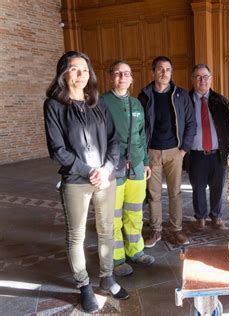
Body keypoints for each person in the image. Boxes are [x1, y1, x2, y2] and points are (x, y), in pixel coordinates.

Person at [44, 51, 128, 314]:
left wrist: (106, 169)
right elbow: (57, 150)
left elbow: (114, 139)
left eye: (84, 69)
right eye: (74, 69)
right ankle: (84, 285)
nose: (81, 75)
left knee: (107, 230)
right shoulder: (54, 106)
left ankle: (107, 277)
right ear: (63, 73)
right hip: (76, 180)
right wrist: (89, 171)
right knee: (76, 236)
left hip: (105, 177)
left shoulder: (97, 102)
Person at [102, 60, 155, 277]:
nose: (122, 77)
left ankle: (136, 250)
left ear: (132, 78)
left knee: (134, 212)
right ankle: (117, 257)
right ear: (111, 77)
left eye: (126, 74)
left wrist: (145, 161)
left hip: (137, 166)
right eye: (118, 73)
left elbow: (142, 135)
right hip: (114, 166)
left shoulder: (136, 104)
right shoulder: (102, 102)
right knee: (113, 214)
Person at [138, 56, 196, 247]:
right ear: (153, 71)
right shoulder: (144, 95)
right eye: (160, 69)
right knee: (154, 193)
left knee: (175, 193)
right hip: (152, 152)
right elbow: (139, 126)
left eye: (168, 70)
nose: (164, 73)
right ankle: (156, 231)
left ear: (171, 73)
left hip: (174, 151)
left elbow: (190, 123)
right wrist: (143, 154)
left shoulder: (181, 95)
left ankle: (176, 229)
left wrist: (184, 149)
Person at [188, 64, 229, 230]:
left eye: (205, 76)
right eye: (198, 77)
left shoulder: (221, 101)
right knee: (198, 187)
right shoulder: (185, 100)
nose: (202, 80)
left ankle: (216, 215)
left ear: (211, 79)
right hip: (196, 153)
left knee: (217, 186)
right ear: (193, 80)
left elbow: (226, 128)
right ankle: (200, 217)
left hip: (217, 153)